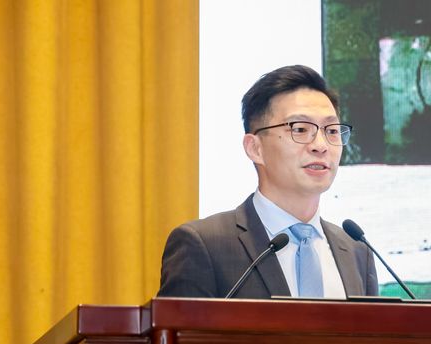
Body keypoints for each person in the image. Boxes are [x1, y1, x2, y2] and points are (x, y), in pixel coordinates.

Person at [158, 65, 378, 299]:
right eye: (300, 129)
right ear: (255, 148)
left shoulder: (357, 251)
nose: (321, 145)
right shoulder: (204, 246)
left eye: (332, 131)